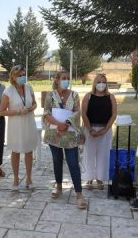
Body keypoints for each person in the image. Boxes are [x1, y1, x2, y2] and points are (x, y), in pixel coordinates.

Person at [43, 71, 87, 209]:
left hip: (69, 134)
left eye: (68, 78)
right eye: (64, 78)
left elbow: (77, 111)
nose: (66, 81)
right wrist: (58, 124)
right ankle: (59, 187)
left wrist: (66, 123)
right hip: (54, 134)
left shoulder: (74, 95)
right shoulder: (50, 95)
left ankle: (79, 194)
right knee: (57, 160)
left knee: (73, 163)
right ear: (57, 80)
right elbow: (46, 113)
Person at [0, 65, 38, 192]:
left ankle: (29, 178)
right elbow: (2, 112)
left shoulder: (29, 87)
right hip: (15, 125)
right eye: (19, 75)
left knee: (29, 151)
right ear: (13, 76)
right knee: (15, 151)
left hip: (28, 122)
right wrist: (18, 112)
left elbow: (35, 103)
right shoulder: (8, 91)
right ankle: (16, 178)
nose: (22, 77)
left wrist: (31, 108)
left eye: (23, 75)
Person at [81, 73, 117, 190]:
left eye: (103, 82)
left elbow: (114, 114)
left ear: (106, 84)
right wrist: (90, 130)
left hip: (105, 130)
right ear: (95, 83)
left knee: (103, 155)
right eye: (99, 82)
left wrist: (105, 129)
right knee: (89, 155)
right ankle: (89, 179)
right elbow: (84, 114)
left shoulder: (111, 97)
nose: (101, 84)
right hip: (90, 129)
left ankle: (100, 178)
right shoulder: (88, 96)